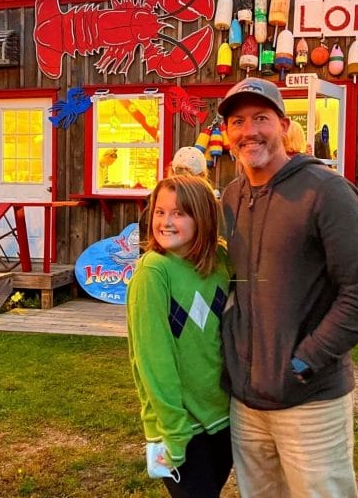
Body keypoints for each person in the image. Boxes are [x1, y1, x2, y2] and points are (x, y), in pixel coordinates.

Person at [217, 77, 358, 497]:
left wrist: (304, 361)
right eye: (237, 121)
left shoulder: (326, 192)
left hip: (311, 401)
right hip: (246, 403)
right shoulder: (231, 197)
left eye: (261, 118)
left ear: (284, 125)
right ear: (226, 134)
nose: (249, 130)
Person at [126, 174, 233, 498]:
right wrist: (173, 431)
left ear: (202, 218)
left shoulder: (221, 262)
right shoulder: (153, 273)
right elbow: (154, 360)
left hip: (223, 418)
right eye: (160, 212)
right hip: (181, 427)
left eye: (179, 213)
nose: (166, 222)